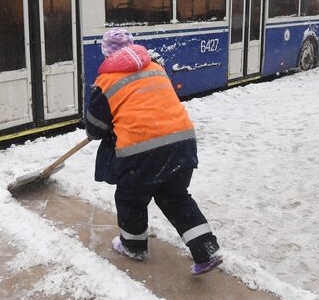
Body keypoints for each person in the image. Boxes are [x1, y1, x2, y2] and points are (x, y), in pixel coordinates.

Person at [85, 28, 222, 276]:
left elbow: (95, 128)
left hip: (142, 150)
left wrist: (104, 125)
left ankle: (134, 247)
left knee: (131, 199)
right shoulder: (156, 68)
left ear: (106, 53)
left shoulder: (105, 81)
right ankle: (207, 249)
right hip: (182, 142)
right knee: (176, 197)